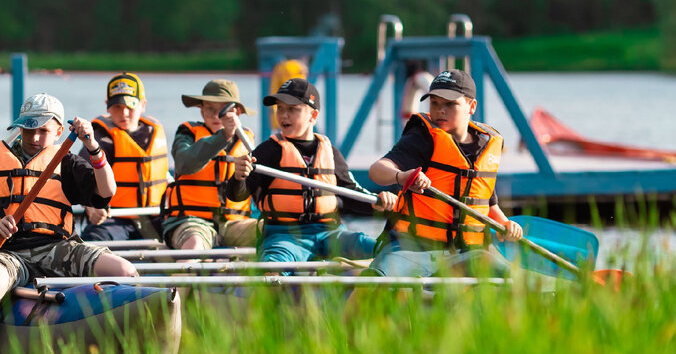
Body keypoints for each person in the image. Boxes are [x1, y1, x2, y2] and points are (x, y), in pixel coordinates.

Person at [0, 93, 140, 354]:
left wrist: (92, 145)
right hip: (7, 250)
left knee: (123, 270)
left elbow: (106, 191)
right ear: (19, 126)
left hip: (56, 247)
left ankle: (130, 352)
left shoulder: (66, 160)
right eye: (29, 129)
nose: (35, 137)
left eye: (43, 130)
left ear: (59, 131)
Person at [366, 68, 523, 278]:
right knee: (375, 281)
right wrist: (401, 176)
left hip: (467, 252)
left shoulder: (486, 146)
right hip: (411, 248)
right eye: (435, 103)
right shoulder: (422, 137)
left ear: (471, 106)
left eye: (450, 104)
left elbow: (487, 204)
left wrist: (505, 224)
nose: (440, 110)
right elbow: (377, 171)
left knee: (516, 281)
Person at [227, 79, 395, 270]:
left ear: (313, 115)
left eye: (292, 109)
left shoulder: (331, 152)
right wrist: (239, 177)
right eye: (280, 109)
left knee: (384, 249)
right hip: (285, 236)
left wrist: (379, 203)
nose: (283, 115)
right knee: (273, 268)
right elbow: (236, 194)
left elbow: (351, 194)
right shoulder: (267, 152)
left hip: (331, 234)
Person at [160, 79, 258, 252]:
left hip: (235, 223)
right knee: (195, 244)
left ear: (238, 112)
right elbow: (185, 164)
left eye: (223, 110)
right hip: (191, 221)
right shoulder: (187, 133)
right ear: (201, 110)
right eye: (209, 109)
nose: (216, 115)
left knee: (272, 231)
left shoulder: (248, 140)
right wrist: (224, 135)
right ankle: (188, 275)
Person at [80, 72, 168, 243]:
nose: (124, 113)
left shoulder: (154, 132)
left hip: (155, 216)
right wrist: (90, 207)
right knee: (94, 239)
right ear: (107, 106)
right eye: (117, 107)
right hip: (115, 218)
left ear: (143, 105)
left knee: (180, 232)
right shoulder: (100, 138)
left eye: (131, 106)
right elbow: (81, 176)